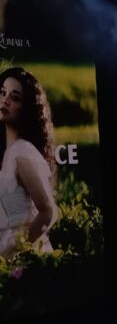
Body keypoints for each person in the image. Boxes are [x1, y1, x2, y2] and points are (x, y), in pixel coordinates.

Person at [0, 66, 58, 258]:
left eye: (15, 98)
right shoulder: (8, 152)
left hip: (22, 258)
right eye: (2, 93)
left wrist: (11, 254)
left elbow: (48, 212)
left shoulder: (21, 153)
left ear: (26, 109)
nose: (5, 100)